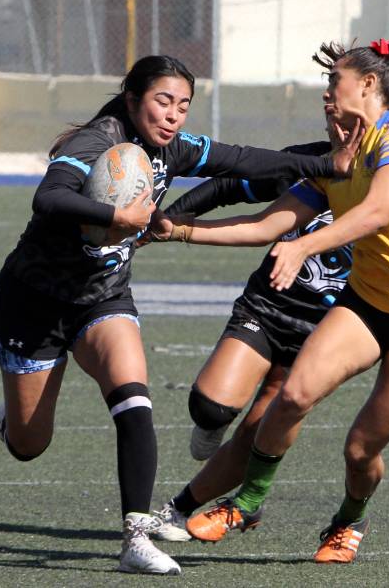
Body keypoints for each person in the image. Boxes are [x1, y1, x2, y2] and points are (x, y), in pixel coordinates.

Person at [0, 54, 358, 575]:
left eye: (183, 106)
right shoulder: (93, 143)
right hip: (33, 303)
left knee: (133, 398)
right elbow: (49, 198)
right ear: (133, 97)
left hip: (102, 297)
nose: (173, 115)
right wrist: (117, 215)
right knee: (30, 444)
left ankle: (134, 539)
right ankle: (13, 419)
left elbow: (242, 161)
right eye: (163, 101)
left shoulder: (173, 149)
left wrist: (326, 165)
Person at [171, 39, 389, 564]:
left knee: (360, 449)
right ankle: (247, 503)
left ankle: (349, 520)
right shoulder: (336, 161)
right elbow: (266, 225)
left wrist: (303, 247)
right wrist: (177, 230)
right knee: (292, 396)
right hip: (367, 306)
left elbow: (377, 211)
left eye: (335, 81)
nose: (327, 94)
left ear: (369, 84)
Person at [140, 139, 353, 542]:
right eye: (332, 116)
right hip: (267, 307)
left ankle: (179, 510)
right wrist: (171, 221)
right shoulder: (313, 162)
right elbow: (231, 190)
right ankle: (213, 424)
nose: (339, 125)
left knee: (259, 435)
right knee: (211, 406)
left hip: (328, 329)